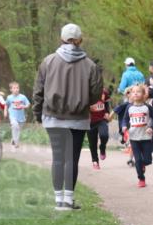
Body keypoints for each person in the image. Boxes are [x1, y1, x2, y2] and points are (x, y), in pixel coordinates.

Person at [32, 23, 102, 211]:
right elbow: (96, 93)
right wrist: (84, 101)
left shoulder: (48, 61)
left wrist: (37, 113)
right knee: (72, 158)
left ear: (61, 38)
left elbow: (38, 91)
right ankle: (69, 200)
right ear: (80, 40)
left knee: (58, 157)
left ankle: (58, 200)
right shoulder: (90, 65)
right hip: (78, 119)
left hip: (53, 116)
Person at [124, 84, 153, 187]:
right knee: (137, 160)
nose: (135, 93)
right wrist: (124, 127)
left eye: (138, 91)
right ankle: (141, 179)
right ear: (130, 95)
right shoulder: (129, 108)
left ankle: (143, 164)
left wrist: (151, 127)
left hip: (146, 137)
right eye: (133, 92)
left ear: (144, 94)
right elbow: (125, 120)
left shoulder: (147, 107)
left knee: (148, 160)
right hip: (134, 137)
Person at [87, 83, 112, 168]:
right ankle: (95, 161)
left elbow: (106, 105)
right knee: (92, 143)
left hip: (102, 119)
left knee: (104, 135)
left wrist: (107, 112)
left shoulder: (104, 92)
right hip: (90, 121)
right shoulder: (85, 93)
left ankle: (102, 147)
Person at [4, 81, 30, 148]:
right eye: (14, 88)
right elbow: (6, 105)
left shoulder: (23, 97)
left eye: (17, 88)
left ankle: (13, 139)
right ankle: (16, 142)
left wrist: (24, 106)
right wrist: (5, 112)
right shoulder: (9, 97)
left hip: (21, 117)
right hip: (12, 116)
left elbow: (28, 104)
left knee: (18, 129)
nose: (16, 89)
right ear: (11, 90)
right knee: (15, 126)